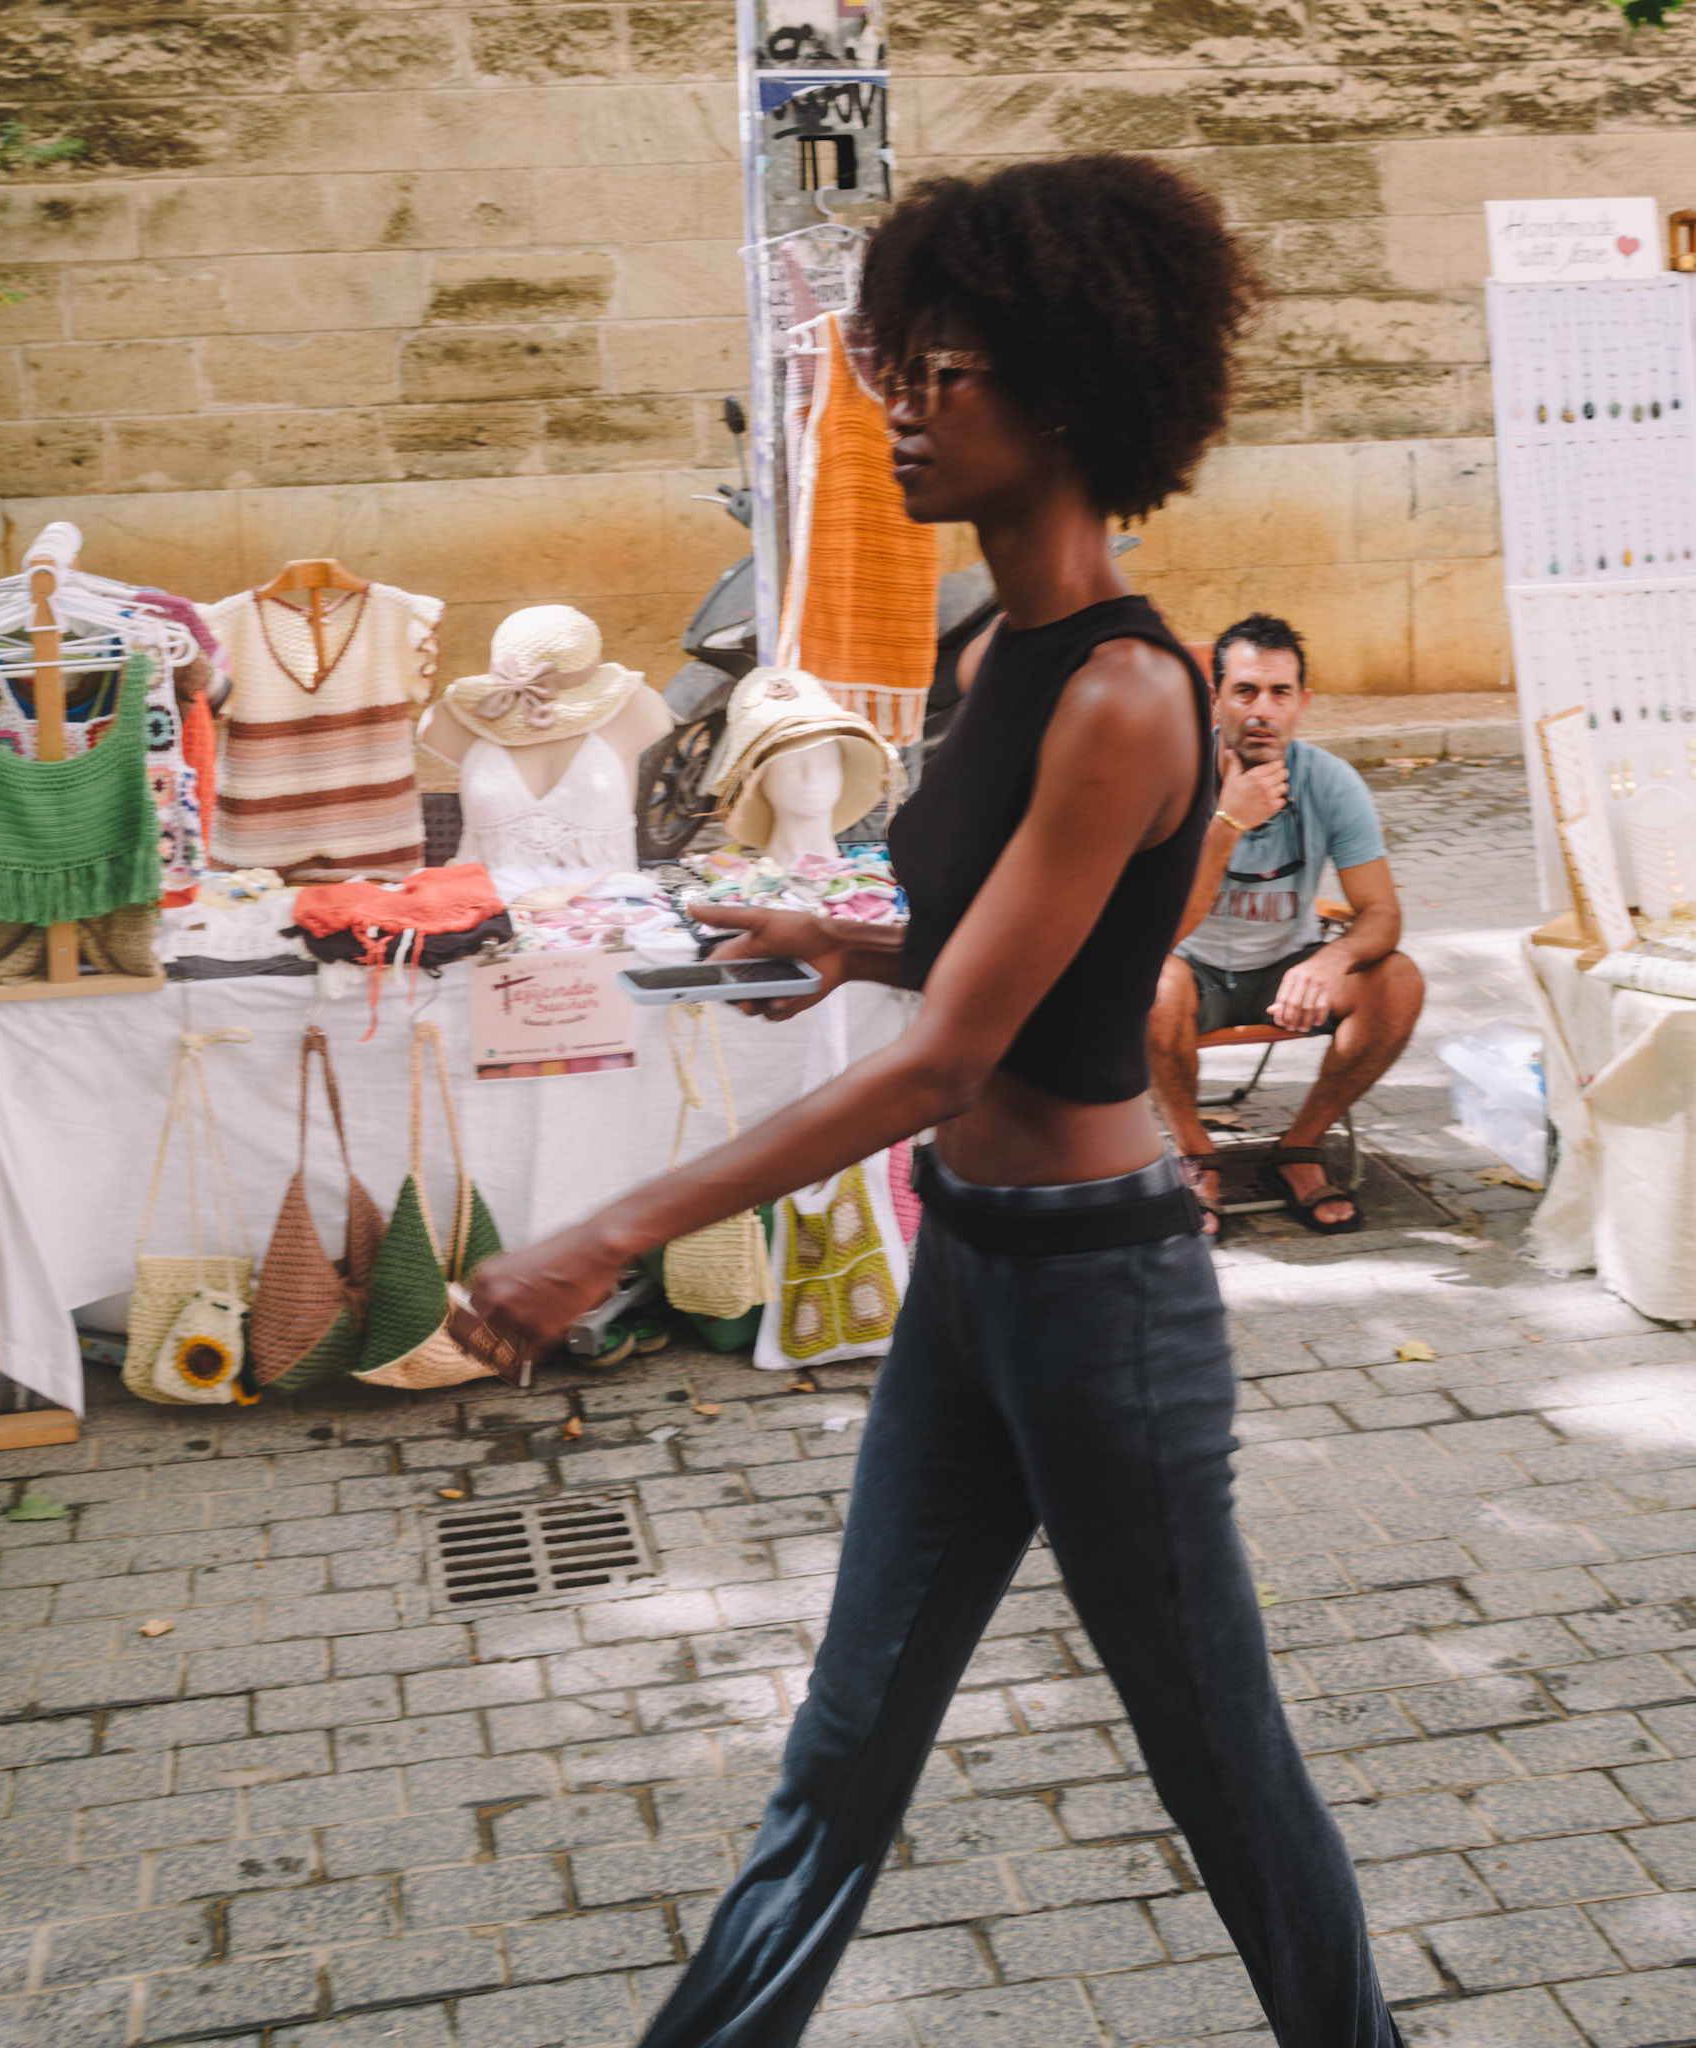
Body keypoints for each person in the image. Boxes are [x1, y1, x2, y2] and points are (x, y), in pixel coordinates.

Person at [470, 157, 1403, 2048]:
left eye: (938, 372)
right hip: (971, 1276)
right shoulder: (988, 652)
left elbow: (961, 1057)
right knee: (842, 1747)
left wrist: (610, 1228)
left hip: (1103, 1301)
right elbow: (987, 952)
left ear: (1064, 389)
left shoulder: (1131, 693)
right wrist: (844, 943)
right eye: (893, 367)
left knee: (1224, 1767)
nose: (896, 412)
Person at [1149, 614, 1425, 1236]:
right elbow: (1151, 934)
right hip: (1188, 976)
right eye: (1245, 691)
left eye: (1279, 693)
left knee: (1399, 981)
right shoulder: (1172, 780)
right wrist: (1226, 823)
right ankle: (1196, 1153)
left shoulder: (1329, 782)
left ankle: (1299, 1145)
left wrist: (1330, 961)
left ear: (1303, 702)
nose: (1261, 710)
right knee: (1150, 984)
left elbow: (1381, 912)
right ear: (1215, 698)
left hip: (1287, 971)